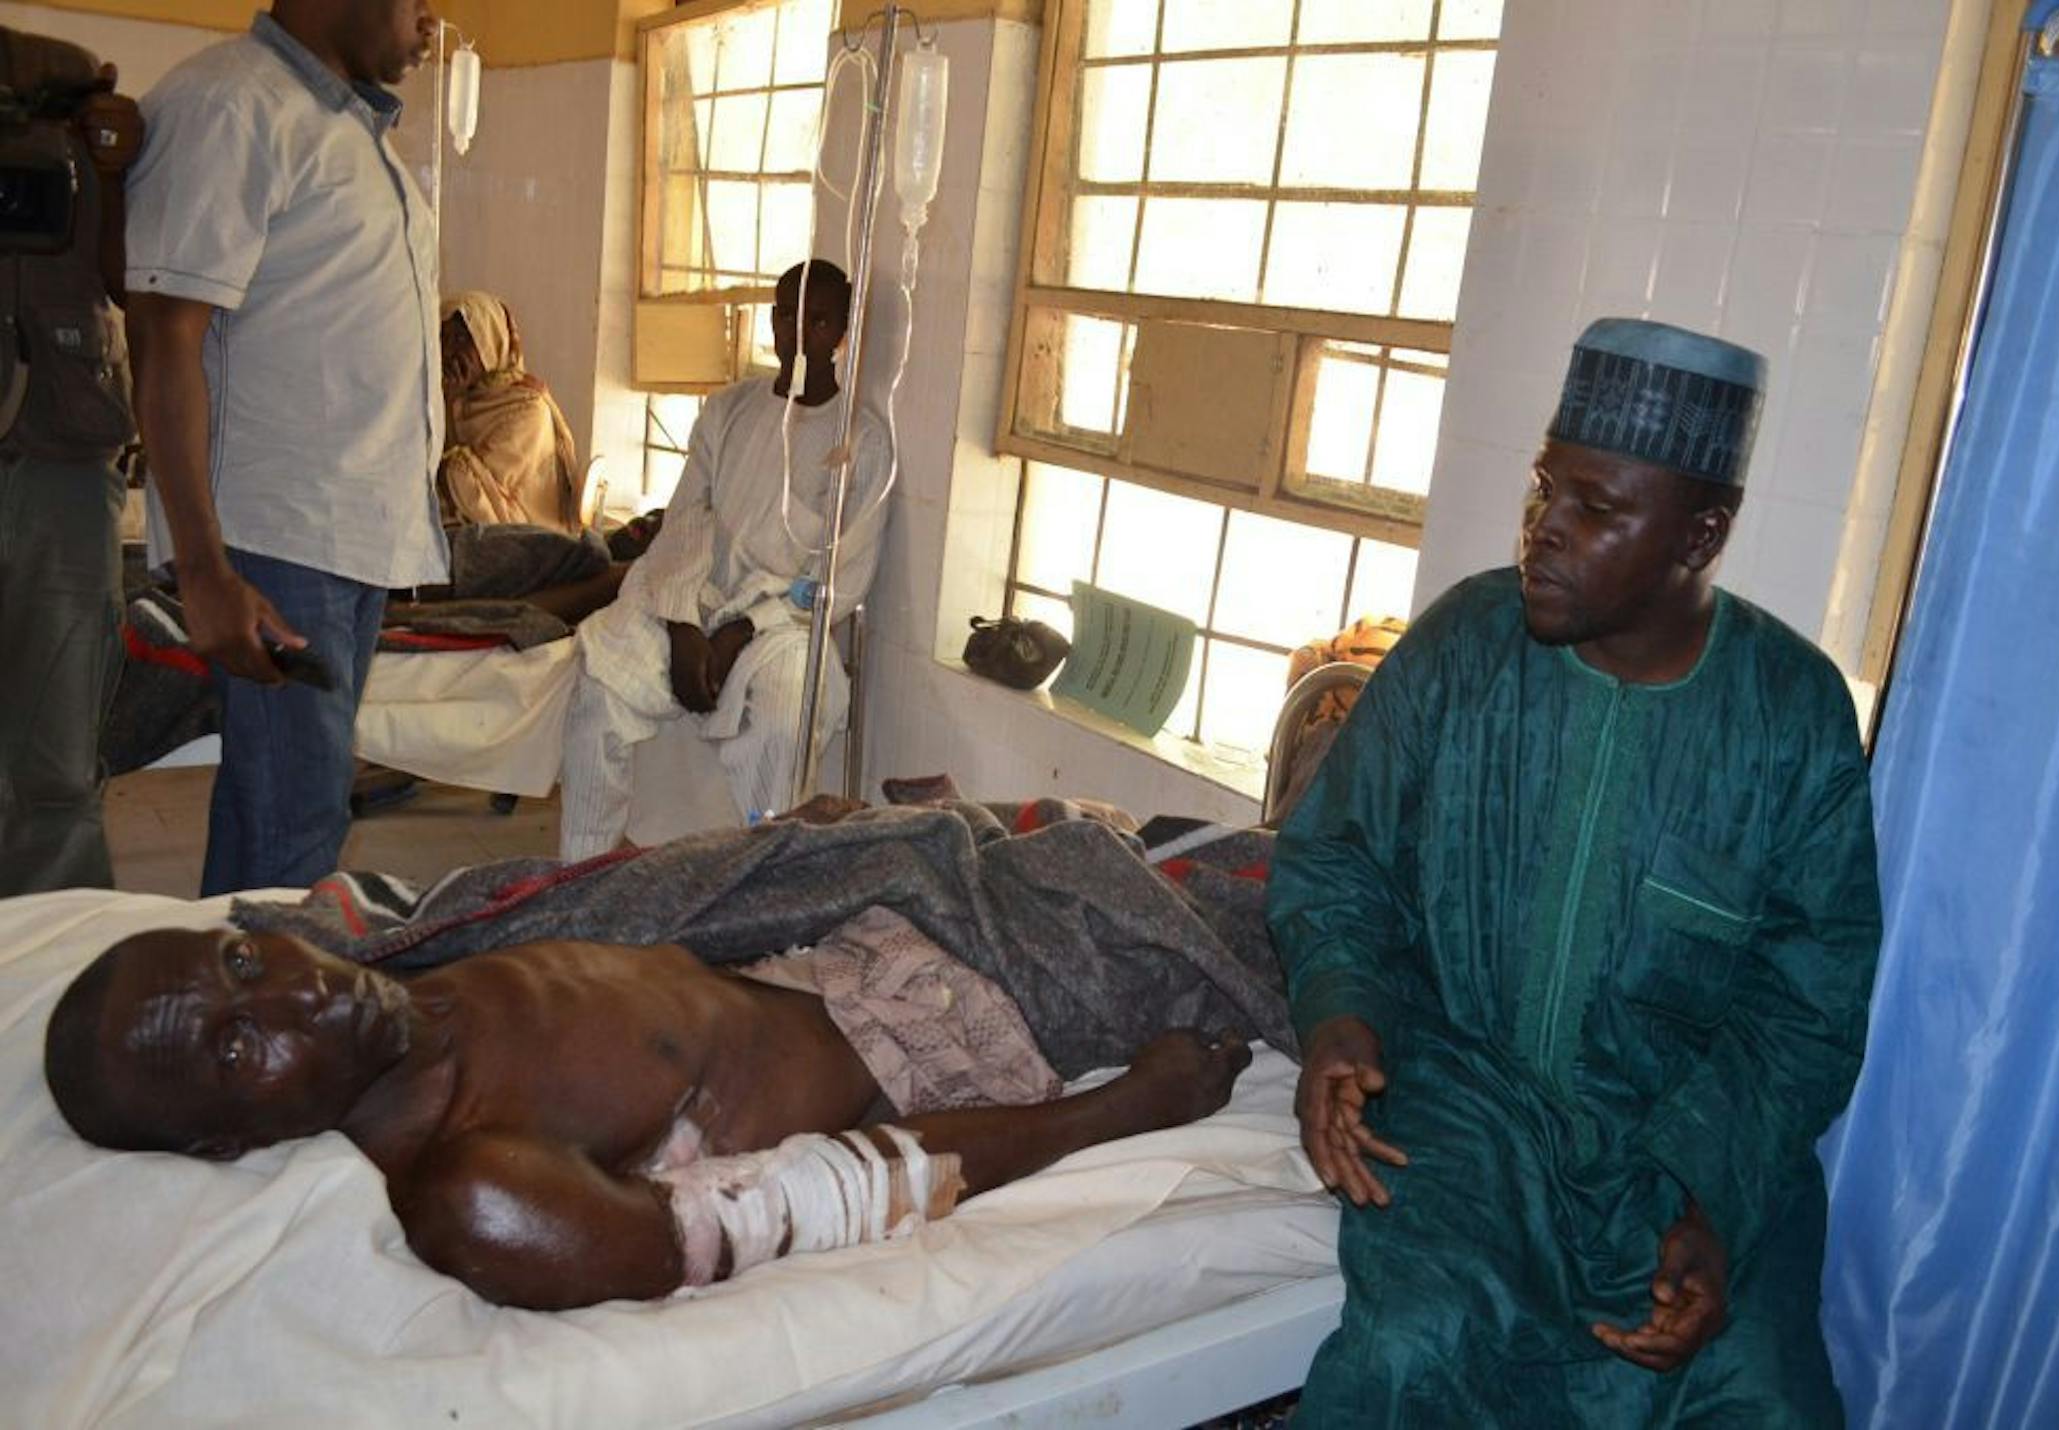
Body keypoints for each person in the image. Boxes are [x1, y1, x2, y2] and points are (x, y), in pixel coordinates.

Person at [1268, 318, 1882, 1426]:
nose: (1543, 530)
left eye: (1596, 509)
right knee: (1409, 1356)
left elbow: (1806, 1007)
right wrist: (1340, 1012)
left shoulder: (1791, 716)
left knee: (1764, 1405)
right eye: (1548, 489)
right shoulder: (1465, 645)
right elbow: (1340, 855)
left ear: (1702, 534)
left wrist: (1715, 1204)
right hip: (1469, 1108)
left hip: (1687, 1137)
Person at [41, 912, 1252, 1311]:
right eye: (238, 1044)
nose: (298, 989)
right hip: (968, 1032)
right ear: (230, 1142)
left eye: (241, 961)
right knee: (1237, 926)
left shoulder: (402, 980)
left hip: (858, 932)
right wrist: (1126, 1106)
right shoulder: (478, 1184)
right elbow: (841, 1187)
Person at [125, 0, 444, 896]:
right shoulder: (231, 105)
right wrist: (205, 571)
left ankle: (236, 979)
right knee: (291, 826)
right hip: (278, 538)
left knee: (282, 815)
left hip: (349, 533)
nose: (431, 21)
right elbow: (163, 340)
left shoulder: (350, 128)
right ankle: (268, 985)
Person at [559, 258, 892, 856]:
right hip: (694, 597)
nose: (799, 335)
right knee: (597, 689)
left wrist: (744, 628)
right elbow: (684, 525)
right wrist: (683, 624)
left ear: (843, 333)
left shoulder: (861, 443)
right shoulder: (728, 410)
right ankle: (581, 873)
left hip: (783, 626)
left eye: (818, 321)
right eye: (786, 316)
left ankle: (756, 880)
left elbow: (839, 582)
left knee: (785, 719)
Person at [0, 27, 143, 895]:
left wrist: (115, 173)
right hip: (66, 453)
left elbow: (134, 280)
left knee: (56, 762)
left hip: (65, 452)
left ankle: (53, 948)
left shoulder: (85, 122)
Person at [438, 290, 586, 534]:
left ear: (491, 341)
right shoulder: (446, 397)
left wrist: (447, 402)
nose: (450, 351)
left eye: (463, 339)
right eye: (444, 338)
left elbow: (474, 496)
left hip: (524, 545)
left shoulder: (527, 408)